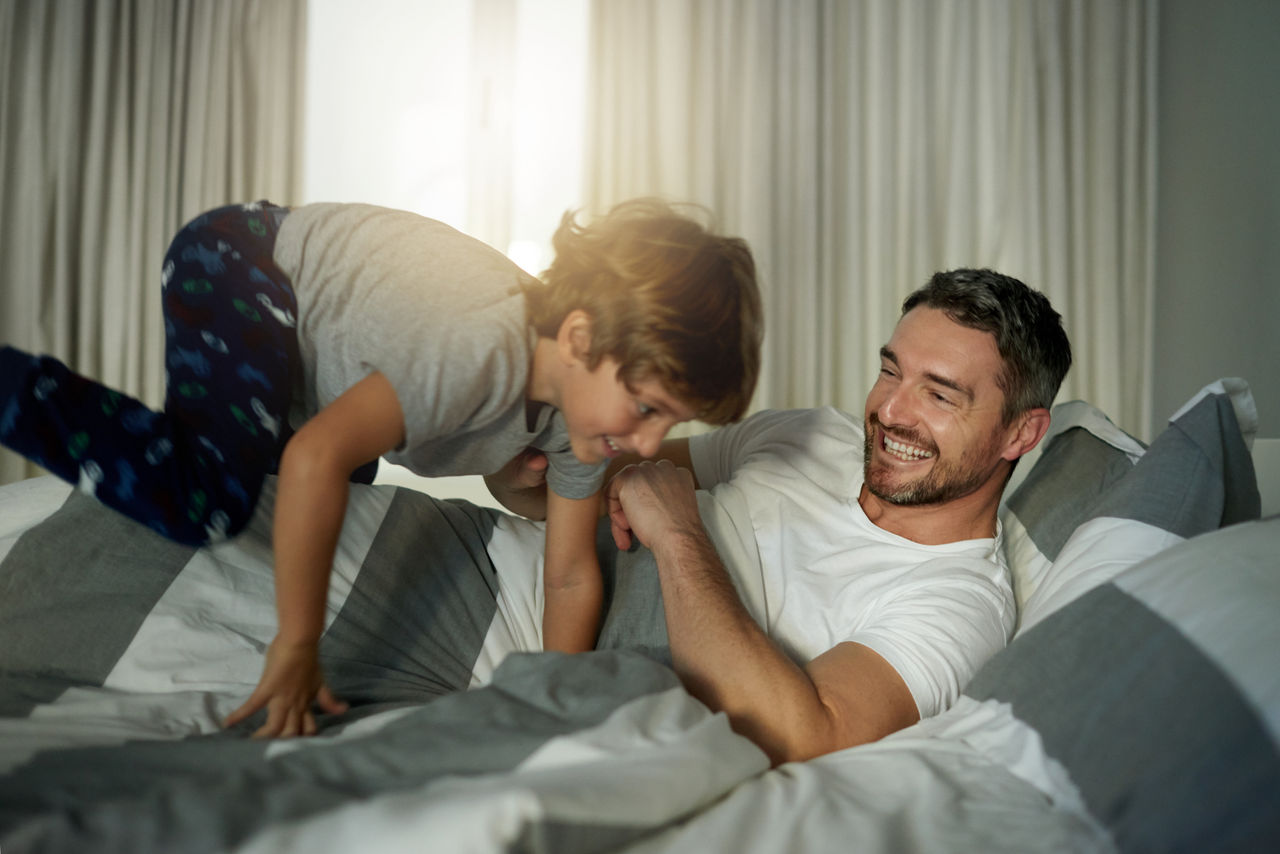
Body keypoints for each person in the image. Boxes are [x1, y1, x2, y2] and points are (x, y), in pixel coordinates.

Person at [0, 197, 763, 738]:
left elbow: (567, 573)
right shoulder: (483, 347)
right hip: (247, 264)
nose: (650, 439)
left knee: (334, 524)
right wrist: (296, 648)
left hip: (315, 374)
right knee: (208, 498)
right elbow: (315, 456)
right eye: (646, 406)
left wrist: (541, 701)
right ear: (578, 336)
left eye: (671, 421)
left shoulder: (576, 428)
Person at [497, 267, 1071, 766]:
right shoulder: (810, 433)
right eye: (891, 372)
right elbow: (566, 484)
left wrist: (676, 533)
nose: (890, 411)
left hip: (518, 656)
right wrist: (522, 471)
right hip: (482, 555)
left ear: (1022, 432)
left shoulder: (959, 602)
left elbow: (802, 739)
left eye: (940, 396)